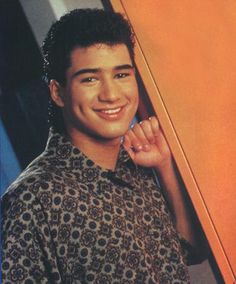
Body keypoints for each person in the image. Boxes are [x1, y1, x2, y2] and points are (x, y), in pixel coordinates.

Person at [1, 8, 204, 283]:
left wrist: (164, 165)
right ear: (58, 92)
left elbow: (188, 252)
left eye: (121, 75)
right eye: (90, 79)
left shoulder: (131, 168)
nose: (111, 94)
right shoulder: (32, 199)